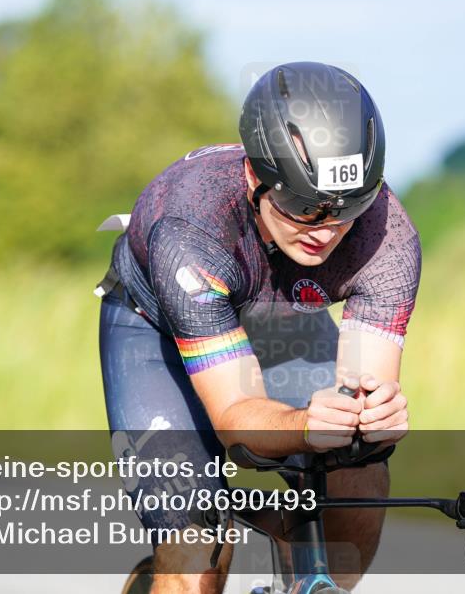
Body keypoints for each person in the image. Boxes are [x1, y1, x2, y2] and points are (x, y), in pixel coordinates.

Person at [98, 61, 420, 593]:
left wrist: (372, 417)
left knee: (358, 471)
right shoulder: (191, 225)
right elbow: (234, 417)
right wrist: (301, 428)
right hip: (157, 326)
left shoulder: (388, 239)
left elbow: (366, 393)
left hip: (281, 318)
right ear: (255, 178)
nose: (325, 230)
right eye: (301, 206)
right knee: (198, 548)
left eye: (349, 208)